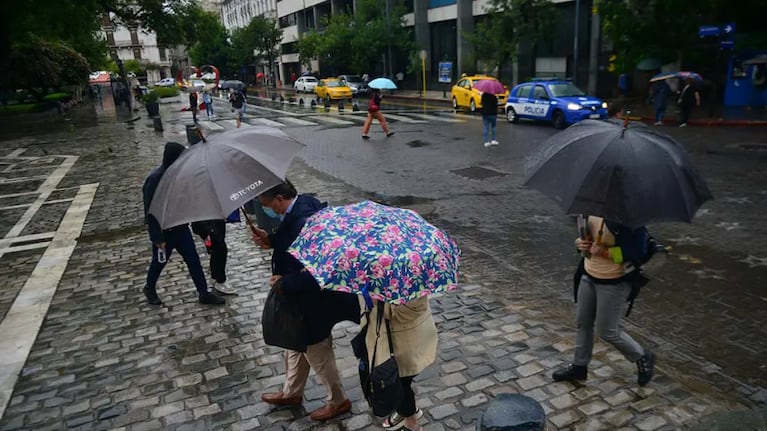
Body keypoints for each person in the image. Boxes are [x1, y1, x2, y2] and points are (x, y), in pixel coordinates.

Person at [251, 181, 359, 421]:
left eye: (267, 205)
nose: (268, 210)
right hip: (303, 302)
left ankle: (338, 400)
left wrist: (284, 282)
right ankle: (291, 392)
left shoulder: (303, 221)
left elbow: (315, 274)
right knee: (295, 346)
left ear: (279, 198)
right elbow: (293, 246)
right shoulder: (302, 205)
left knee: (317, 352)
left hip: (315, 302)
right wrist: (271, 240)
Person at [552, 215, 655, 386]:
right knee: (582, 323)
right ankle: (579, 367)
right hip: (588, 274)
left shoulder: (628, 217)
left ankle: (642, 356)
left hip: (614, 282)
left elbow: (637, 253)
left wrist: (605, 252)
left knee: (607, 331)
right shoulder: (589, 209)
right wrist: (580, 244)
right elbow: (586, 239)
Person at [142, 142, 225, 306]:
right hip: (164, 230)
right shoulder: (154, 179)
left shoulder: (179, 176)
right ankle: (149, 287)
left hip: (180, 229)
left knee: (193, 260)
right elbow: (150, 211)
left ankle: (203, 292)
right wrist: (156, 236)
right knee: (159, 262)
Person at [363, 297, 437, 431]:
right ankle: (406, 411)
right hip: (383, 336)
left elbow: (414, 309)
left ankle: (412, 423)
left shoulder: (410, 278)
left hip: (404, 341)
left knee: (400, 382)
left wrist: (378, 304)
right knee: (399, 381)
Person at [191, 220, 235, 295]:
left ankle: (215, 276)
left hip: (216, 218)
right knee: (220, 247)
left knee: (217, 247)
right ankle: (219, 279)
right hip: (205, 221)